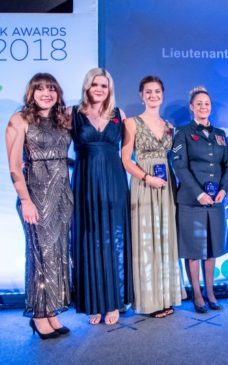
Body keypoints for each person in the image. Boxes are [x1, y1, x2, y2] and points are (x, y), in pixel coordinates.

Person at [5, 73, 73, 339]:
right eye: (41, 89)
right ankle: (38, 316)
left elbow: (59, 156)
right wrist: (25, 200)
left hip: (62, 196)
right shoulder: (19, 119)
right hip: (35, 195)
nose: (47, 93)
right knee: (40, 256)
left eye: (51, 89)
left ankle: (51, 312)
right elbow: (13, 166)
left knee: (57, 254)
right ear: (31, 93)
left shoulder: (61, 120)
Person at [69, 68, 133, 325]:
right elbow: (56, 148)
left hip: (114, 183)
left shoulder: (119, 115)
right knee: (90, 240)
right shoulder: (72, 114)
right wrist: (81, 166)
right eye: (95, 84)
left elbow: (127, 155)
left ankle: (114, 301)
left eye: (104, 86)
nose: (99, 89)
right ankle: (94, 301)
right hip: (85, 183)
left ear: (110, 89)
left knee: (114, 241)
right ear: (87, 87)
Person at [121, 76, 186, 318]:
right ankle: (149, 301)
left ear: (163, 94)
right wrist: (148, 179)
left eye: (157, 91)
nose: (153, 95)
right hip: (144, 184)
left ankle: (166, 297)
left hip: (166, 186)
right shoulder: (131, 123)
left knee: (165, 239)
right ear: (141, 95)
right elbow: (126, 160)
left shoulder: (169, 126)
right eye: (148, 91)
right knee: (146, 240)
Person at [171, 87, 228, 313]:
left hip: (216, 201)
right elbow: (180, 167)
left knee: (213, 247)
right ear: (191, 107)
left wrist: (224, 190)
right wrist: (199, 193)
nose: (203, 107)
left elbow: (227, 165)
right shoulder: (182, 133)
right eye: (199, 104)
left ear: (211, 107)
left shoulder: (220, 134)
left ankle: (210, 291)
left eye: (206, 103)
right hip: (191, 201)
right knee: (194, 250)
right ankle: (196, 293)